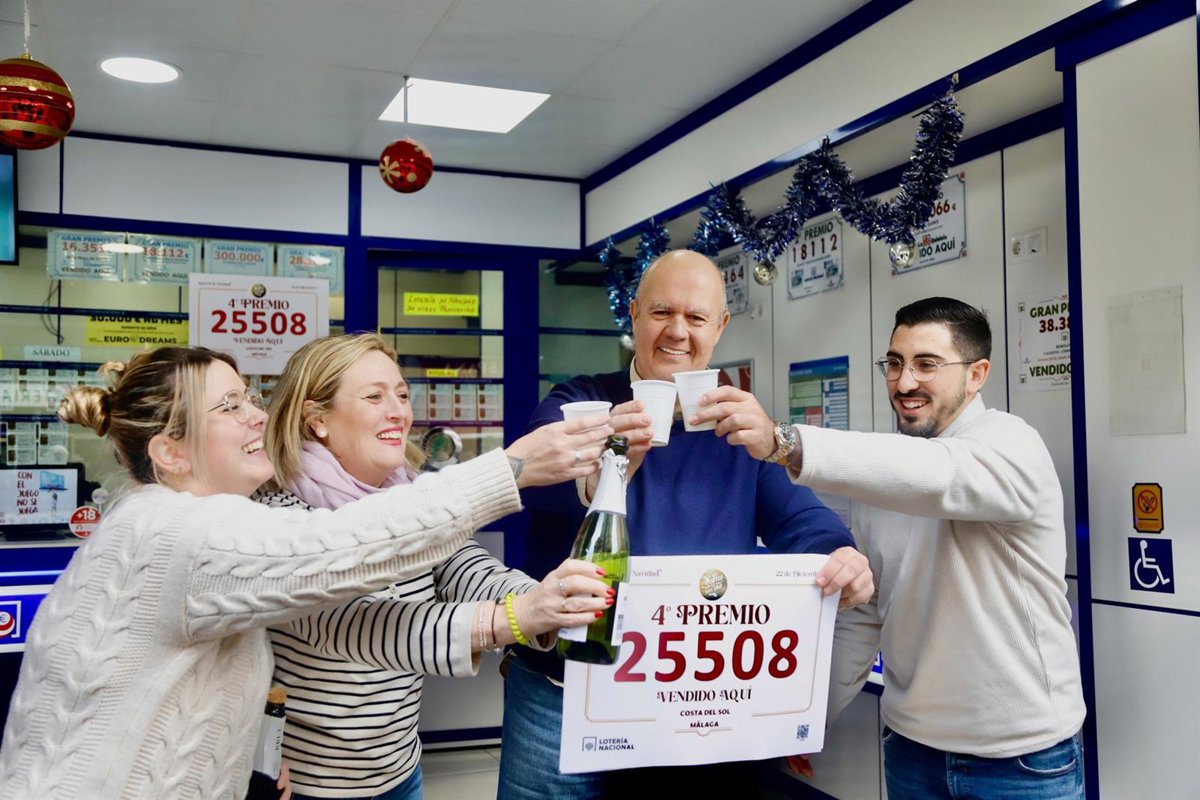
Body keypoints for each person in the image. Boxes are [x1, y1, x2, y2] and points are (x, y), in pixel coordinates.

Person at [0, 346, 609, 800]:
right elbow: (349, 572)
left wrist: (250, 750)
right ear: (171, 452)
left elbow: (451, 558)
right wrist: (512, 472)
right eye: (231, 405)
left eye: (250, 398)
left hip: (386, 766)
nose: (257, 415)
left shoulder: (203, 518)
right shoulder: (184, 533)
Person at [496, 249, 873, 798]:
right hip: (564, 690)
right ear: (633, 314)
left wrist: (841, 555)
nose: (677, 331)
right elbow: (539, 484)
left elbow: (802, 519)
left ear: (720, 326)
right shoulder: (579, 403)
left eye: (696, 317)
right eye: (661, 312)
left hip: (686, 697)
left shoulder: (736, 430)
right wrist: (610, 459)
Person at [698, 296, 1086, 799]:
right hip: (911, 752)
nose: (904, 383)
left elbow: (941, 476)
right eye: (896, 364)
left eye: (927, 364)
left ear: (977, 374)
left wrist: (782, 441)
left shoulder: (1012, 444)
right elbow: (864, 617)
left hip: (1022, 760)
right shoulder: (883, 475)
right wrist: (800, 721)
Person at [256, 334, 614, 800]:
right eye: (374, 397)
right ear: (316, 419)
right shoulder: (278, 515)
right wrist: (519, 616)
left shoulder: (406, 493)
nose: (398, 412)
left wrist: (547, 597)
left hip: (400, 772)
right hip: (309, 783)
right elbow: (361, 625)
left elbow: (464, 565)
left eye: (402, 395)